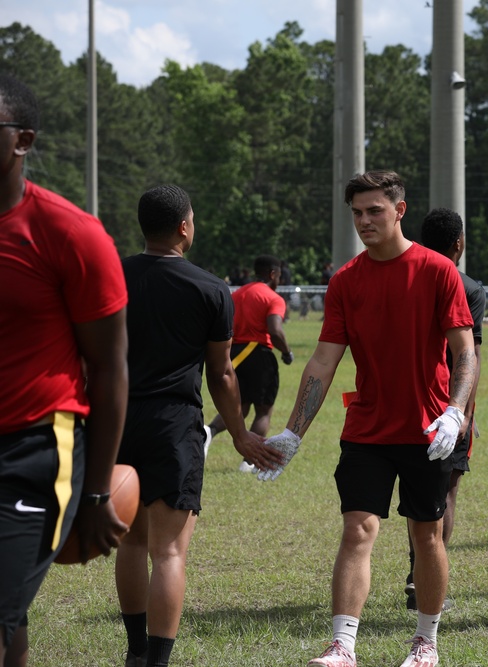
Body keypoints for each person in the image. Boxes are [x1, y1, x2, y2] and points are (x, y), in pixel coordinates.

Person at [259, 171, 475, 667]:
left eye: (374, 211)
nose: (364, 221)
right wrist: (293, 432)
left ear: (399, 210)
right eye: (357, 212)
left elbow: (466, 352)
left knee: (426, 534)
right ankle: (343, 646)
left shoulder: (438, 271)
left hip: (428, 430)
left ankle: (426, 643)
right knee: (357, 529)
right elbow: (322, 362)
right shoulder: (346, 281)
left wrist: (455, 412)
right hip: (367, 430)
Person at [114, 185, 283, 667]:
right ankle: (159, 662)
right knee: (168, 553)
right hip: (174, 424)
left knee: (131, 541)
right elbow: (222, 373)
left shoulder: (112, 277)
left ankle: (135, 652)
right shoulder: (209, 288)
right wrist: (242, 434)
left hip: (120, 422)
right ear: (185, 226)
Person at [0, 74, 129, 667]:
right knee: (11, 611)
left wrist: (98, 489)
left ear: (22, 140)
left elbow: (108, 367)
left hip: (31, 448)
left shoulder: (70, 234)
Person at [402, 208, 486, 611]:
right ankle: (424, 580)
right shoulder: (466, 285)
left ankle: (415, 572)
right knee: (444, 489)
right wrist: (465, 413)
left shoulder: (404, 274)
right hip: (447, 404)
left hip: (407, 402)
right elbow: (469, 355)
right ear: (459, 242)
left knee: (415, 490)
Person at [206, 254, 294, 472]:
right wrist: (287, 351)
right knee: (263, 411)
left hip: (234, 355)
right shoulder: (273, 298)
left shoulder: (238, 294)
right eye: (279, 276)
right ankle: (249, 463)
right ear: (273, 274)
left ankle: (208, 432)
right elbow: (275, 330)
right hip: (259, 354)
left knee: (239, 407)